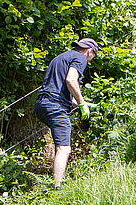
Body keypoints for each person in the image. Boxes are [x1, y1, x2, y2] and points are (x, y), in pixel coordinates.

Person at [35, 37, 99, 188]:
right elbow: (71, 80)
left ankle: (54, 180)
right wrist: (82, 104)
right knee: (63, 148)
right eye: (92, 58)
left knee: (59, 143)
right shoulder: (80, 58)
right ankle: (57, 187)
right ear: (89, 51)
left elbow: (58, 90)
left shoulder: (60, 58)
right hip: (55, 107)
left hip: (41, 105)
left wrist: (82, 103)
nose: (89, 61)